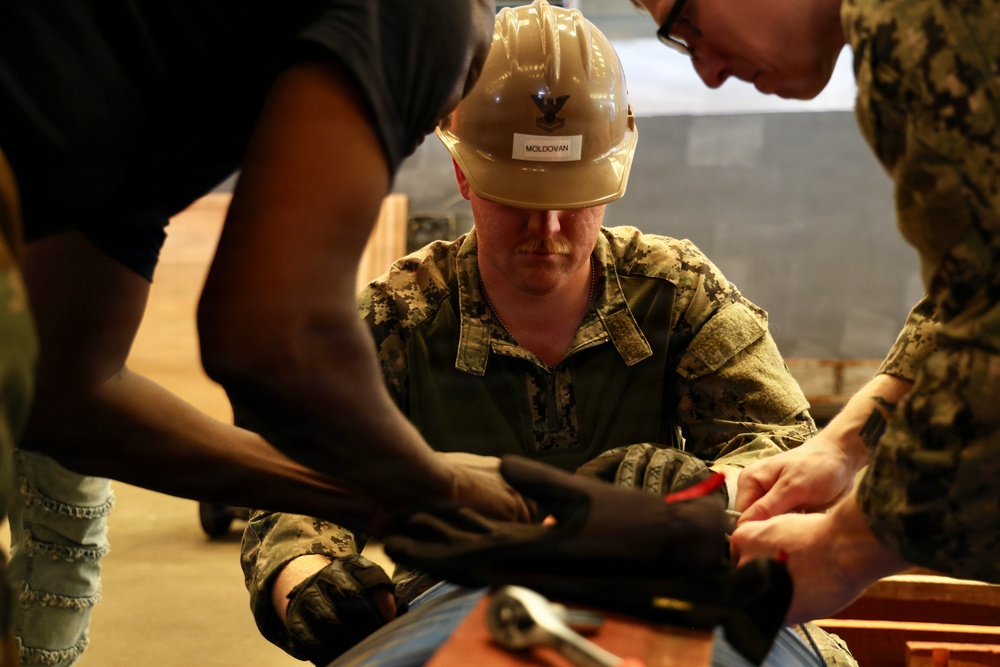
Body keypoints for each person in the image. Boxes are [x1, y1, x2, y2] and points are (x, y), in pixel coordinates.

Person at [241, 3, 855, 665]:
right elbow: (300, 483)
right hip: (460, 595)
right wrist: (304, 579)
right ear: (464, 176)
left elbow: (784, 450)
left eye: (575, 198)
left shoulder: (677, 292)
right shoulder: (400, 316)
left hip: (666, 577)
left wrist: (703, 489)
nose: (550, 229)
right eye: (520, 199)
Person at [0, 1, 529, 664]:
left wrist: (382, 494)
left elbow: (65, 396)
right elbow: (273, 343)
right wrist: (437, 484)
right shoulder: (429, 13)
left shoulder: (144, 111)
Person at [619, 0, 1000, 625]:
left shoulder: (915, 22)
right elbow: (977, 284)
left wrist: (844, 550)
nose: (707, 71)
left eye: (687, 23)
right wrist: (842, 450)